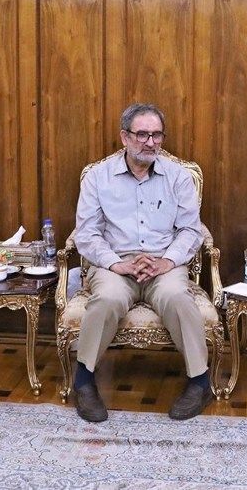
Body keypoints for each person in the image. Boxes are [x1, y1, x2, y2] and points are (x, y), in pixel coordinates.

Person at [72, 103, 210, 422]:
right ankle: (84, 381)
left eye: (157, 135)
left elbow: (191, 230)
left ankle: (200, 382)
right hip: (116, 264)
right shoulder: (98, 178)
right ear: (125, 137)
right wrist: (115, 263)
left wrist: (168, 261)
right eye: (142, 135)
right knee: (106, 298)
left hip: (164, 263)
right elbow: (87, 233)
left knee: (178, 297)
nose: (150, 142)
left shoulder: (178, 177)